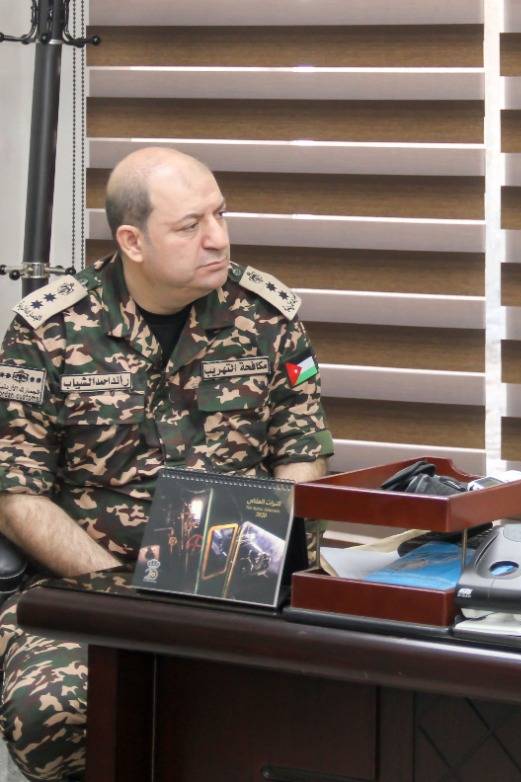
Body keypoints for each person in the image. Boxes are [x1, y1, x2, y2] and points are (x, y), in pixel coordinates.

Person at [0, 147, 333, 780]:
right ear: (133, 241)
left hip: (240, 582)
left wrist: (262, 568)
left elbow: (301, 455)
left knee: (340, 700)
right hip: (93, 588)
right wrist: (121, 592)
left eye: (220, 215)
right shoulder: (49, 330)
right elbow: (16, 490)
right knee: (52, 716)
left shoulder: (267, 316)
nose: (217, 238)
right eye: (189, 225)